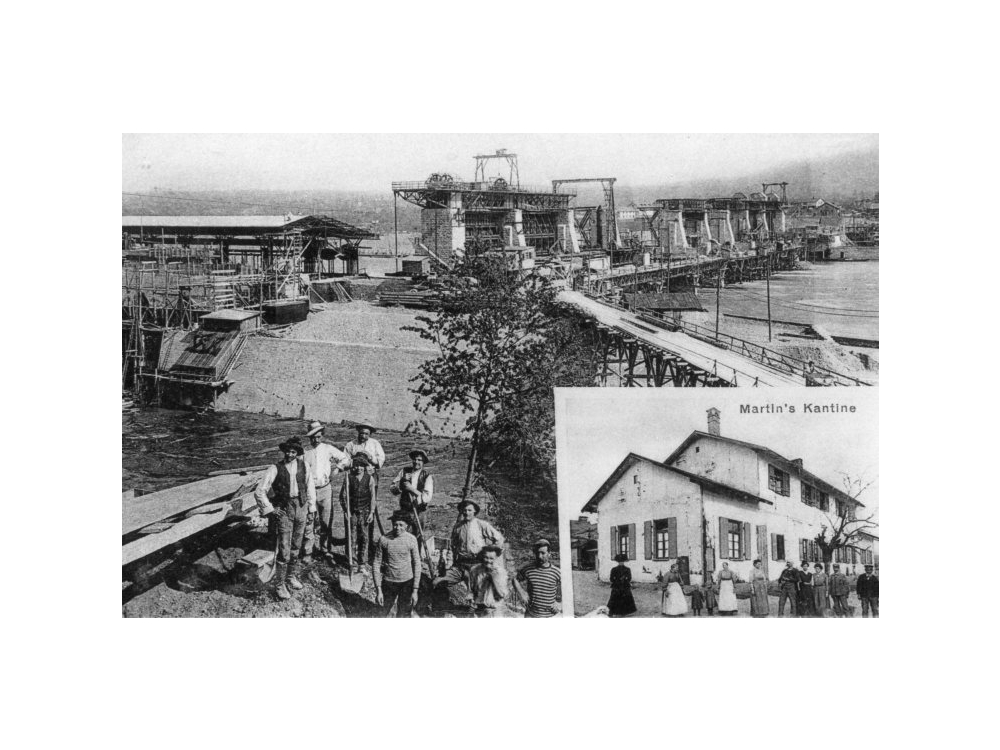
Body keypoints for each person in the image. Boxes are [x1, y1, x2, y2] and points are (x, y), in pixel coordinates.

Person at [253, 437, 317, 600]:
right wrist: (271, 509)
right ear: (284, 451)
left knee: (297, 546)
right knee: (284, 548)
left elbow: (310, 487)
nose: (290, 454)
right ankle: (280, 584)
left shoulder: (304, 466)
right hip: (284, 510)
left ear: (297, 453)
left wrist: (311, 508)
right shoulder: (275, 468)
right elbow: (260, 491)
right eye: (287, 451)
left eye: (293, 451)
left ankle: (290, 577)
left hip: (301, 508)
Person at [302, 421, 350, 558]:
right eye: (312, 437)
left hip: (325, 489)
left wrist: (337, 470)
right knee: (309, 520)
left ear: (322, 436)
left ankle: (325, 549)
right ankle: (307, 551)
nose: (315, 440)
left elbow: (345, 459)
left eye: (318, 437)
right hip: (309, 491)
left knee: (326, 520)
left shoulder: (328, 448)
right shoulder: (306, 452)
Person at [443, 500, 505, 585]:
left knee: (477, 589)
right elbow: (452, 546)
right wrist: (449, 562)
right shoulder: (457, 527)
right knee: (442, 582)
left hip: (477, 563)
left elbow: (499, 538)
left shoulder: (481, 524)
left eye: (469, 510)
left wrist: (491, 554)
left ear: (474, 511)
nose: (466, 513)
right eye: (464, 510)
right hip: (461, 564)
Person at [373, 511, 421, 618]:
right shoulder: (384, 540)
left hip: (407, 583)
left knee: (404, 614)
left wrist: (415, 590)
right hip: (389, 582)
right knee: (381, 613)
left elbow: (417, 563)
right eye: (395, 524)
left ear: (407, 526)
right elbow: (376, 563)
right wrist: (379, 590)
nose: (397, 528)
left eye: (401, 525)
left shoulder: (412, 540)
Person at [340, 454, 377, 568]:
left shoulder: (369, 478)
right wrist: (347, 511)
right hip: (352, 512)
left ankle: (363, 561)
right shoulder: (348, 478)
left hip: (365, 512)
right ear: (353, 466)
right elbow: (343, 496)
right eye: (356, 465)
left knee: (364, 537)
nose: (359, 468)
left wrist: (371, 512)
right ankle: (351, 561)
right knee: (351, 536)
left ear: (365, 467)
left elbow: (372, 497)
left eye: (361, 466)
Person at [389, 449, 434, 536]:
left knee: (418, 535)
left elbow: (427, 497)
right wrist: (402, 483)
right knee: (404, 535)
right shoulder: (404, 472)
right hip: (405, 510)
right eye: (414, 459)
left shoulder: (427, 476)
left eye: (419, 460)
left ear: (423, 462)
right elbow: (392, 488)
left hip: (420, 511)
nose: (416, 462)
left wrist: (411, 489)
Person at [515, 539, 562, 618]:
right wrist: (521, 592)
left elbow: (567, 587)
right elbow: (515, 579)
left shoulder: (557, 572)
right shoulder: (528, 569)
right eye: (537, 553)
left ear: (549, 554)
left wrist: (560, 602)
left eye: (543, 553)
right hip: (531, 615)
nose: (539, 556)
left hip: (550, 616)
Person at [468, 545, 509, 618]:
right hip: (478, 610)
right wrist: (471, 600)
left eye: (491, 558)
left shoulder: (500, 572)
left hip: (494, 611)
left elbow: (502, 595)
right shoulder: (475, 570)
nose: (488, 561)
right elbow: (471, 589)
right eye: (486, 557)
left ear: (496, 558)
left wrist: (493, 579)